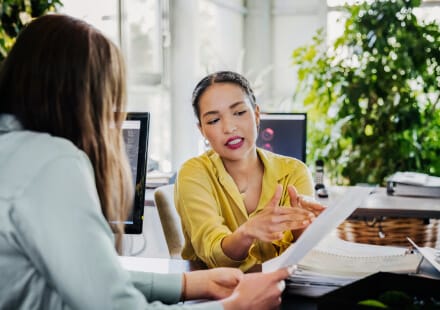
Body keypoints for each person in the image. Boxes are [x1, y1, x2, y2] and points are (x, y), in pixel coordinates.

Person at [0, 14, 292, 310]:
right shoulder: (51, 163)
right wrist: (233, 307)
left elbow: (96, 277)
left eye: (239, 113)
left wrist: (188, 284)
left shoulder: (14, 152)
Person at [175, 71, 326, 271]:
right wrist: (247, 232)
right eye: (213, 120)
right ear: (202, 130)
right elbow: (213, 256)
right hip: (216, 296)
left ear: (256, 115)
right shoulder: (193, 173)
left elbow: (304, 259)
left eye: (239, 113)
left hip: (285, 291)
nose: (229, 128)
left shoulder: (294, 171)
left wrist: (305, 228)